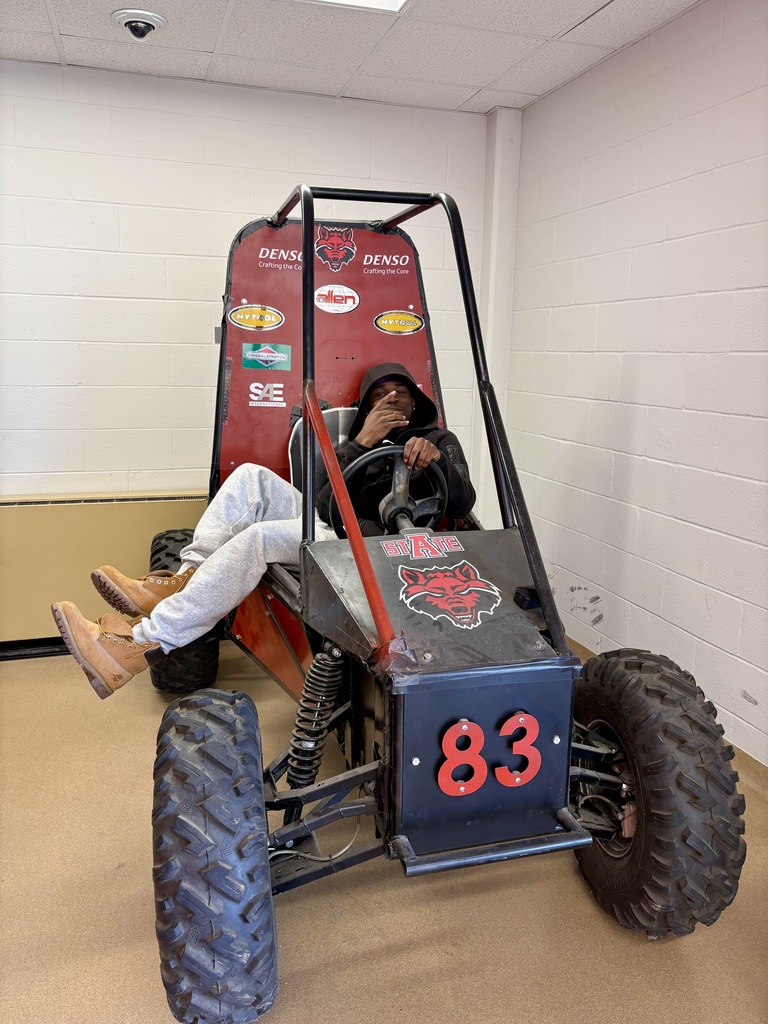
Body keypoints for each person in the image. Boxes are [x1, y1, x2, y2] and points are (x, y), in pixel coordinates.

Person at [51, 362, 475, 700]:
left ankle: (138, 644)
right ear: (367, 409)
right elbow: (324, 503)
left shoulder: (440, 438)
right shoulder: (357, 442)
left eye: (401, 392)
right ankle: (185, 577)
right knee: (249, 476)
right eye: (380, 395)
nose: (392, 399)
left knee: (259, 539)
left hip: (378, 549)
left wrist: (435, 459)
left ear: (416, 403)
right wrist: (362, 443)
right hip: (334, 526)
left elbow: (463, 501)